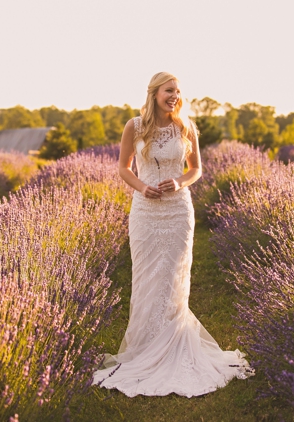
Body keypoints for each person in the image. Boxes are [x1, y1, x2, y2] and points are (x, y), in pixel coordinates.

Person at [92, 72, 254, 397]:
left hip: (179, 210)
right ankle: (145, 347)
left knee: (173, 278)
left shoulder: (186, 127)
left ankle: (173, 344)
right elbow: (124, 166)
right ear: (154, 93)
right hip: (145, 211)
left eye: (178, 92)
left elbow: (196, 169)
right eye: (169, 91)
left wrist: (179, 182)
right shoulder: (134, 126)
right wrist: (143, 187)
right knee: (147, 276)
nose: (175, 96)